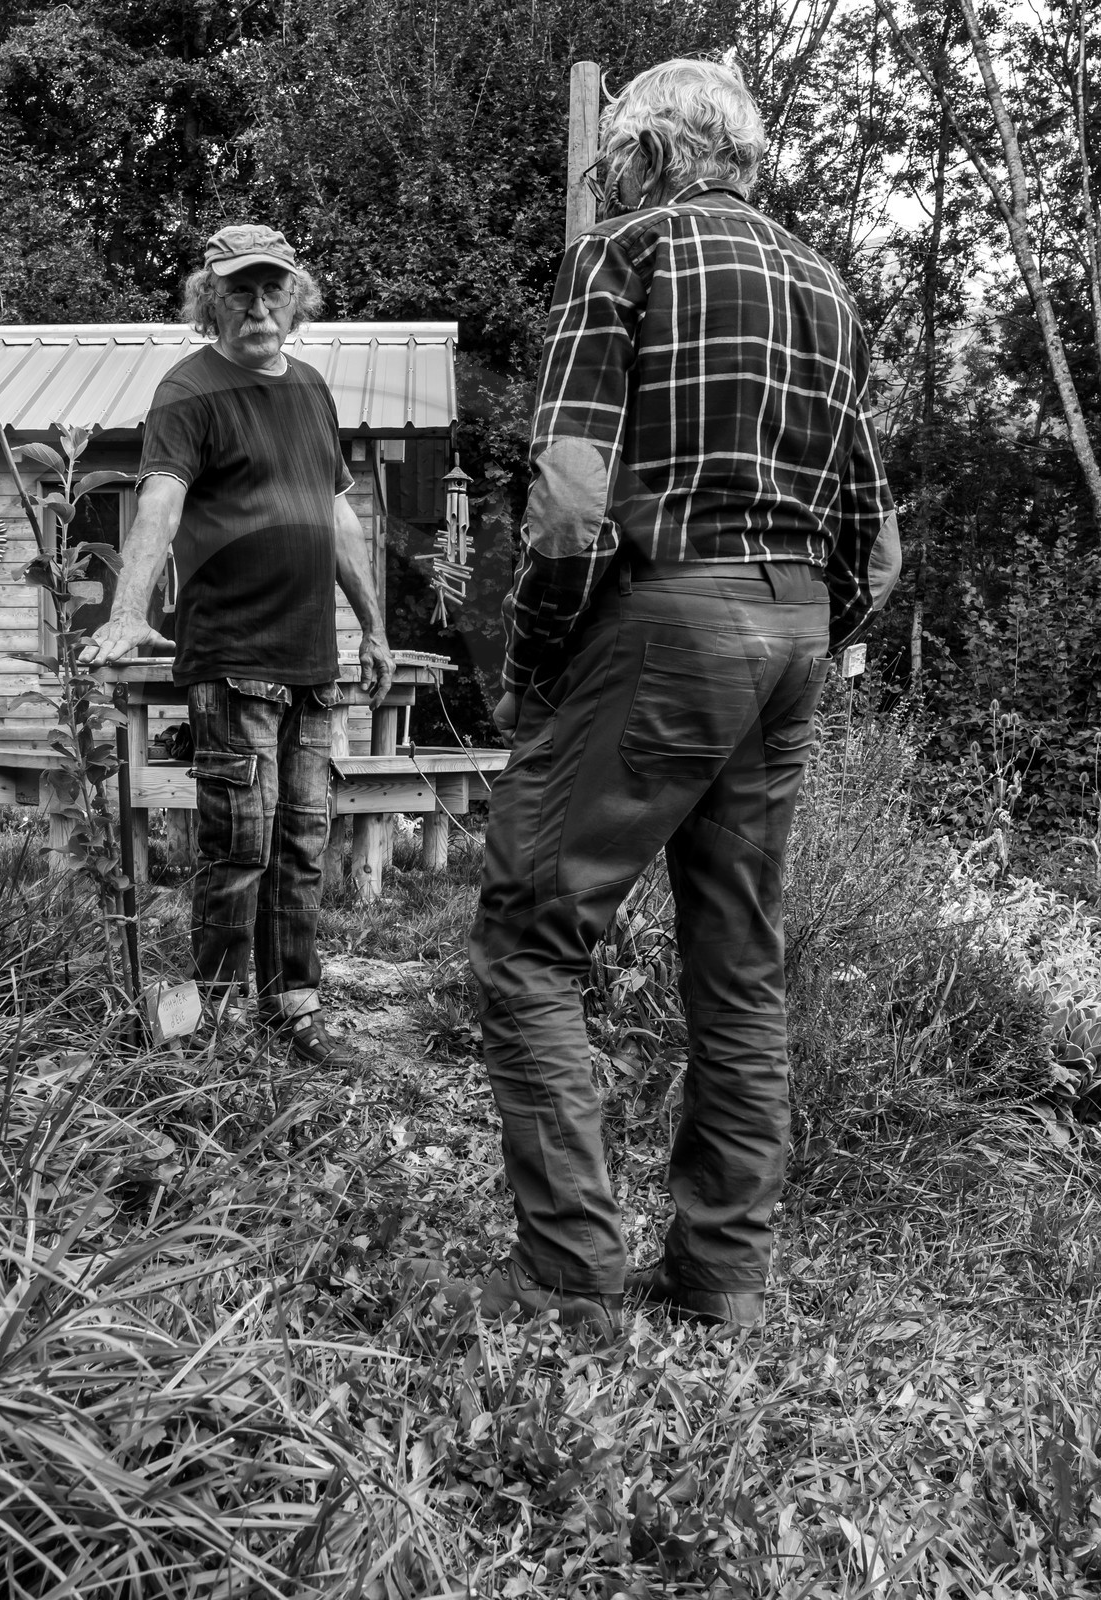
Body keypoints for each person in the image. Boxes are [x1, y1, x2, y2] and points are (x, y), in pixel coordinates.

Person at [470, 59, 901, 1339]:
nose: (603, 176)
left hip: (668, 618)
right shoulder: (825, 283)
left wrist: (540, 661)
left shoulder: (627, 250)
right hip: (794, 634)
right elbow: (874, 548)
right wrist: (802, 634)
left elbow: (565, 497)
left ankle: (571, 1277)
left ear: (650, 150)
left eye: (612, 155)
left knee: (529, 934)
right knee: (740, 958)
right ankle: (722, 1280)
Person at [84, 223, 393, 1066]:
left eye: (272, 290)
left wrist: (371, 624)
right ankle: (217, 1020)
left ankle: (293, 1007)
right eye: (239, 291)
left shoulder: (314, 391)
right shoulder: (188, 390)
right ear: (208, 300)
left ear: (295, 298)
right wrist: (126, 609)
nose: (258, 306)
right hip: (232, 658)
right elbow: (160, 503)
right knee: (240, 842)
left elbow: (336, 515)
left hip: (311, 661)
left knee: (301, 841)